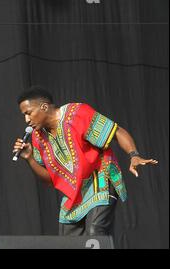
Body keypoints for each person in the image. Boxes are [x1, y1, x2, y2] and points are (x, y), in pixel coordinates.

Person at [13, 86, 158, 236]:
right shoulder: (38, 138)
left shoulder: (77, 114)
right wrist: (29, 158)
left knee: (96, 233)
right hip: (74, 195)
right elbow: (51, 180)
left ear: (43, 107)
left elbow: (117, 132)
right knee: (68, 244)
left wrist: (133, 154)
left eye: (28, 113)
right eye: (24, 115)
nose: (26, 120)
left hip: (100, 179)